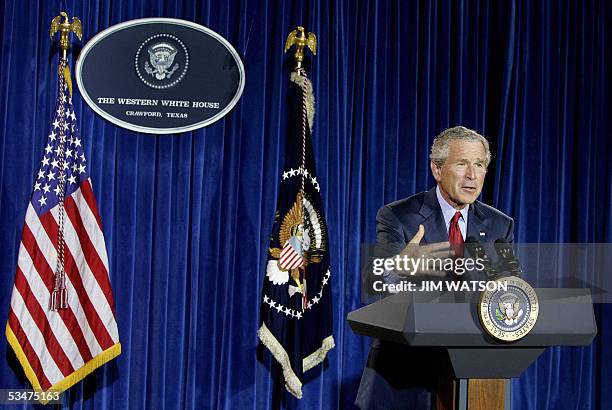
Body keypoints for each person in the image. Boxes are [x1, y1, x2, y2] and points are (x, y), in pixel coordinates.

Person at [356, 126, 514, 409]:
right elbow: (373, 283)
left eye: (479, 165)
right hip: (405, 376)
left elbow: (506, 290)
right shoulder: (399, 216)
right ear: (437, 169)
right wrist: (400, 267)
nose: (472, 175)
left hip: (474, 377)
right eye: (462, 164)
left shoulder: (500, 225)